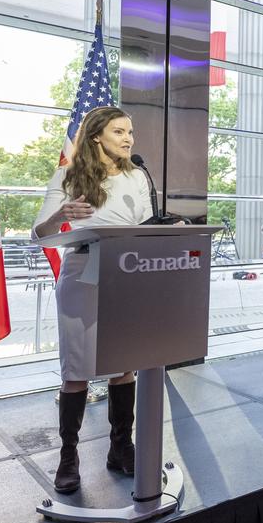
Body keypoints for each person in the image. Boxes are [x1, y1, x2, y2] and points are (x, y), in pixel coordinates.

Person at [33, 106, 154, 494]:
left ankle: (121, 446)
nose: (128, 139)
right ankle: (68, 457)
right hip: (82, 274)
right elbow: (40, 233)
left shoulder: (138, 176)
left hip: (127, 274)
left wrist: (169, 228)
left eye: (130, 132)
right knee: (77, 370)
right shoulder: (67, 176)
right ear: (97, 135)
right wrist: (62, 215)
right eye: (120, 131)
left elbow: (146, 227)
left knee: (124, 367)